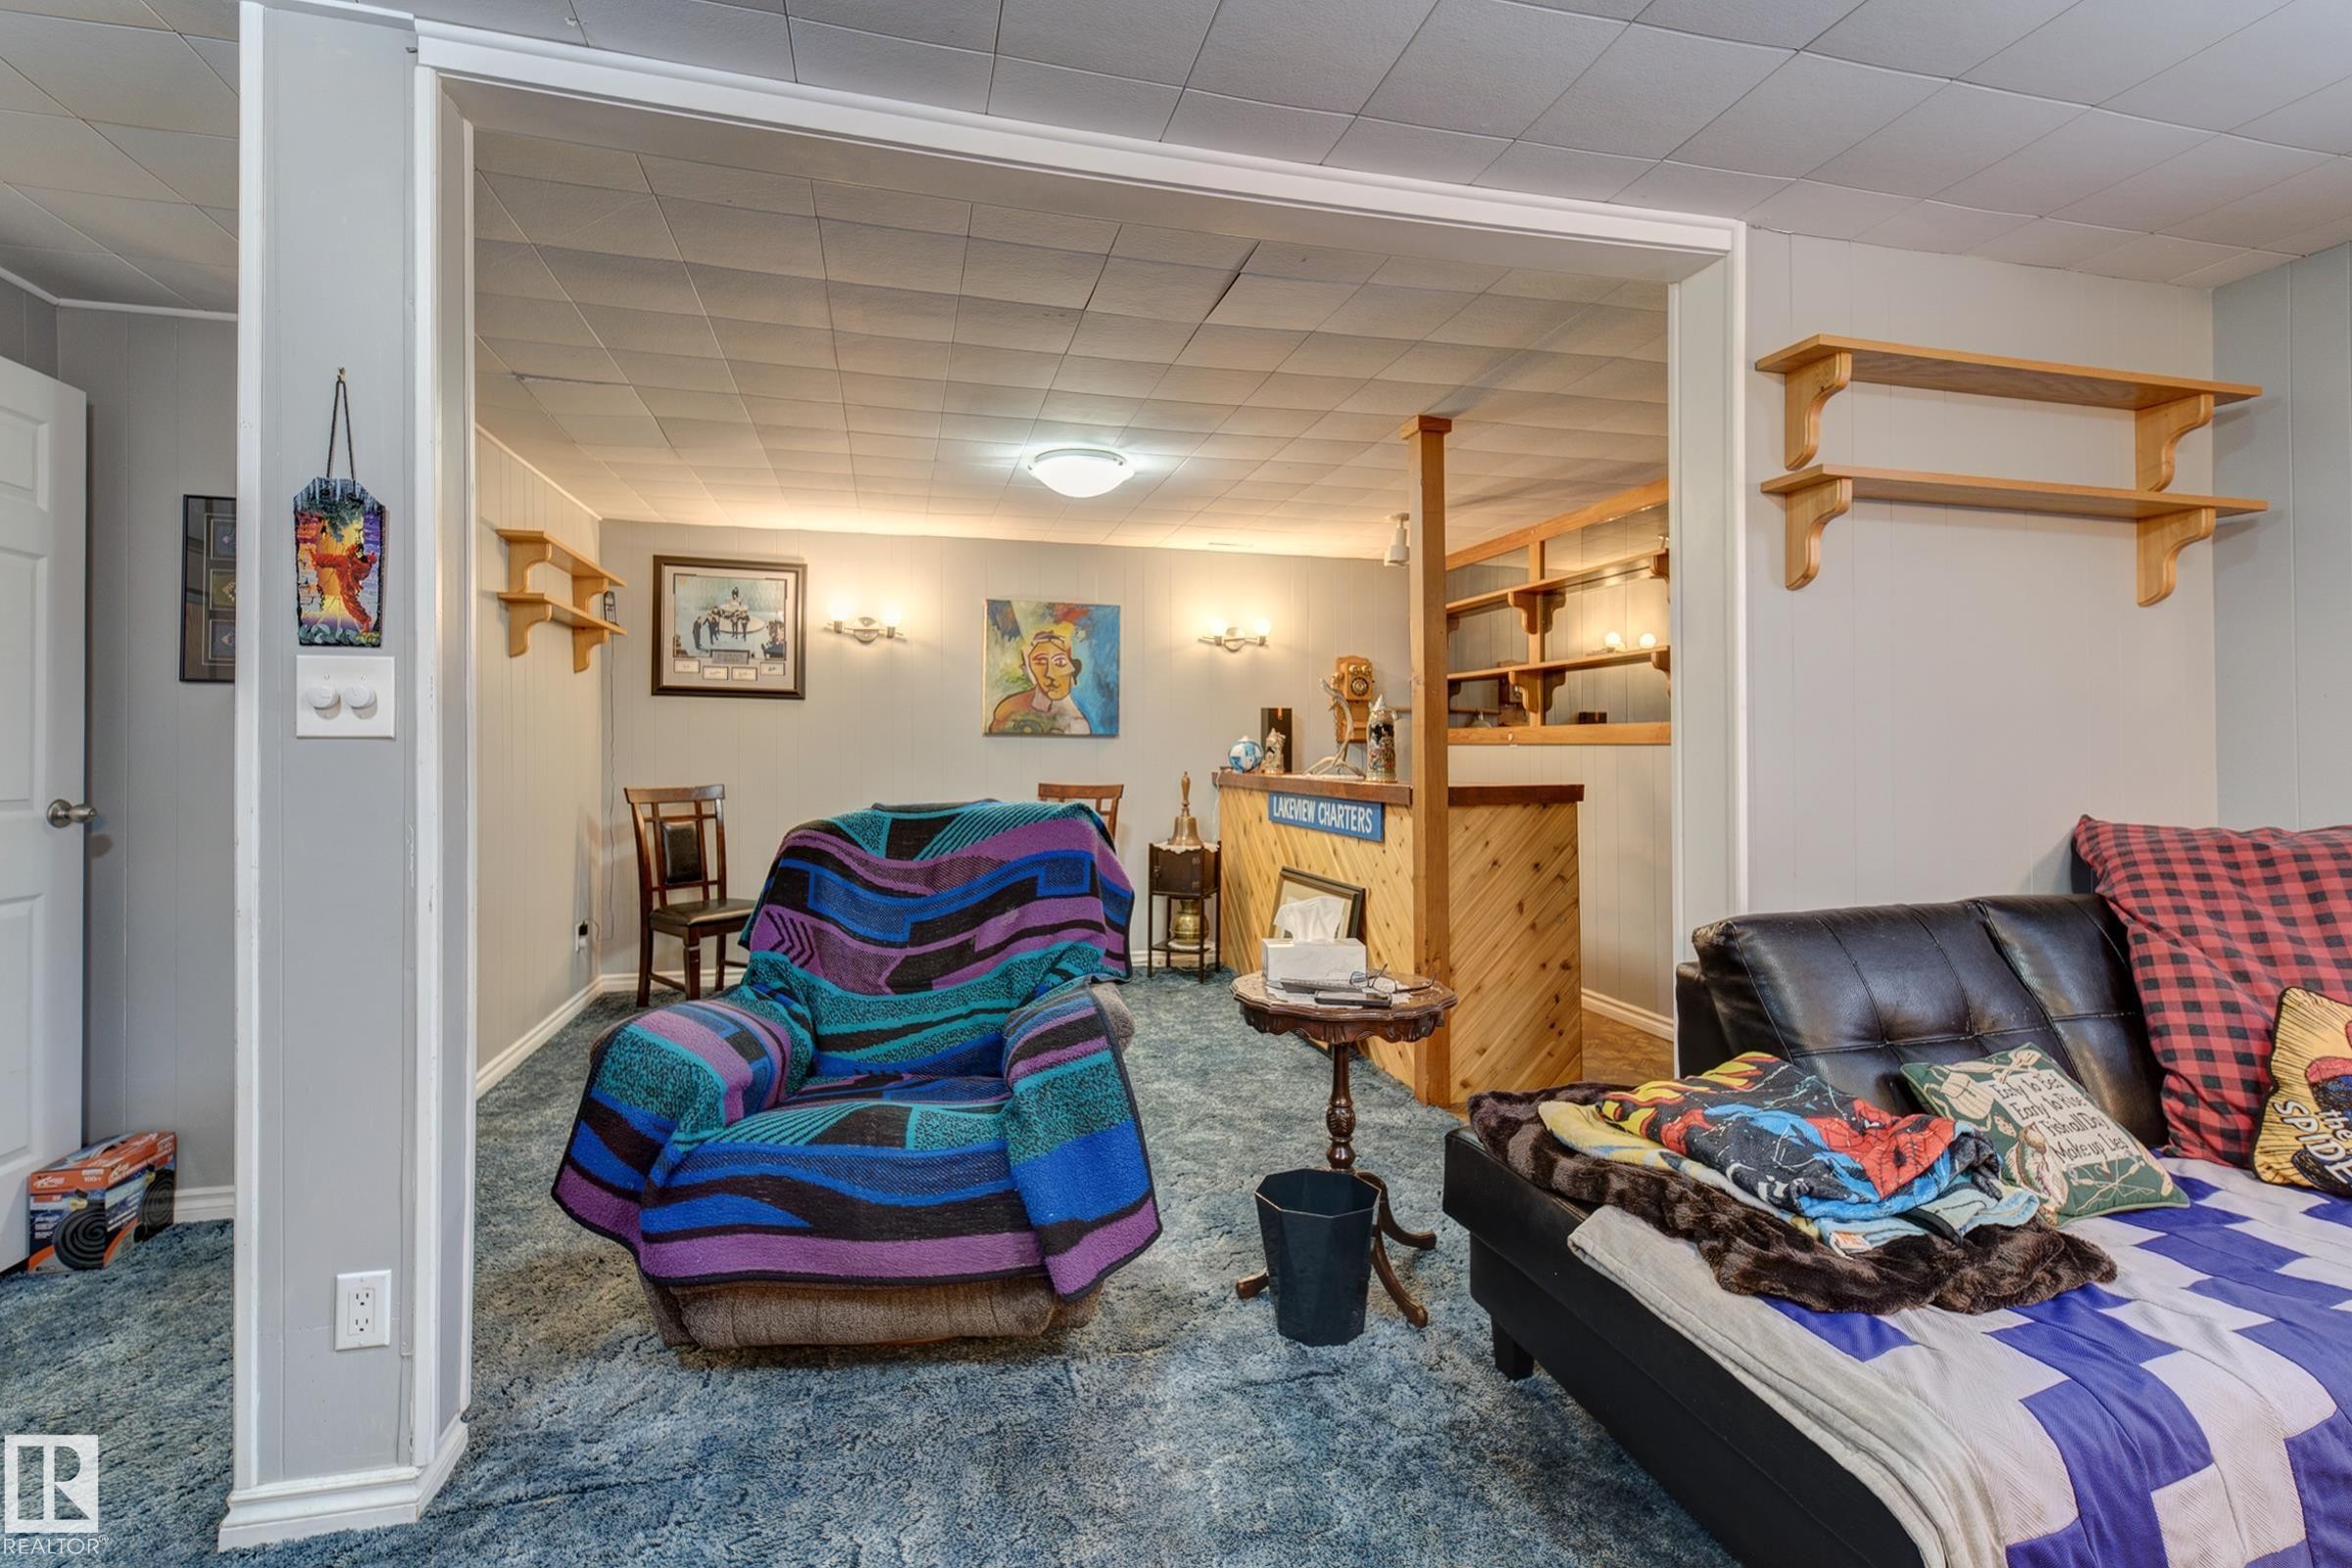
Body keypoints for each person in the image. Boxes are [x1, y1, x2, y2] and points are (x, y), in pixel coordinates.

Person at [989, 623, 1091, 734]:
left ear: (1073, 668)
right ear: (1027, 669)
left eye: (1060, 662)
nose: (1050, 673)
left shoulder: (1079, 724)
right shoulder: (1009, 711)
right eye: (1040, 662)